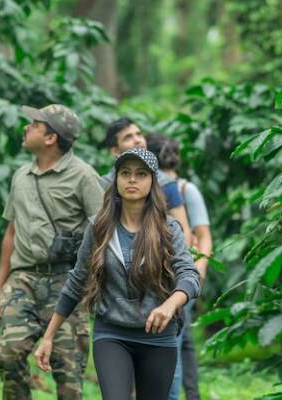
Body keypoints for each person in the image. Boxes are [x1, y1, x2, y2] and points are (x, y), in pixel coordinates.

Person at [34, 148, 201, 400]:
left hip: (158, 337)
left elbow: (189, 275)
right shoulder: (99, 227)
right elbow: (77, 281)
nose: (132, 179)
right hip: (112, 333)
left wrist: (169, 305)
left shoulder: (169, 229)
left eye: (140, 174)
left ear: (152, 182)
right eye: (125, 173)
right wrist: (48, 337)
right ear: (116, 181)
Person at [0, 104, 104, 400]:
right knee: (8, 356)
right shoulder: (21, 176)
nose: (26, 128)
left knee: (68, 372)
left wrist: (94, 286)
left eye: (34, 124)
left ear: (51, 137)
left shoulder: (84, 176)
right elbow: (11, 233)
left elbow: (105, 231)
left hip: (67, 283)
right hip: (22, 278)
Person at [147, 133, 213, 400]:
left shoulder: (183, 190)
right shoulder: (147, 188)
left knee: (172, 343)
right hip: (161, 277)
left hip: (180, 277)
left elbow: (203, 236)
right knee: (182, 342)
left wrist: (197, 272)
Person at [101, 118, 193, 246]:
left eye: (139, 134)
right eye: (128, 137)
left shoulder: (166, 184)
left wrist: (178, 262)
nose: (137, 140)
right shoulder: (103, 185)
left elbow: (184, 231)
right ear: (115, 151)